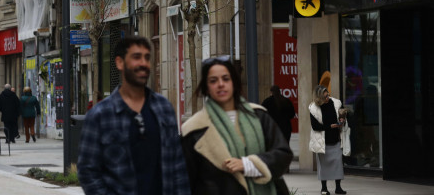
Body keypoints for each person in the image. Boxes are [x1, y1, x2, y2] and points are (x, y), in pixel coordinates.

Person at [78, 36, 190, 195]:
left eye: (147, 58)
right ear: (120, 63)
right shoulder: (100, 115)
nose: (143, 63)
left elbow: (178, 166)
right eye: (136, 57)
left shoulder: (163, 108)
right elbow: (87, 171)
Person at [182, 56, 293, 195]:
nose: (220, 84)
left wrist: (249, 164)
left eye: (226, 78)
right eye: (213, 81)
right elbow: (185, 182)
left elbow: (283, 154)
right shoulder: (194, 129)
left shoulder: (259, 116)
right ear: (206, 87)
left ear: (234, 82)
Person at [309, 85, 347, 195]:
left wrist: (342, 119)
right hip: (322, 140)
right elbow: (315, 126)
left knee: (337, 164)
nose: (328, 98)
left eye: (328, 95)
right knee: (323, 166)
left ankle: (338, 187)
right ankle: (324, 188)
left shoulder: (336, 103)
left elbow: (342, 113)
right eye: (325, 97)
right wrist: (330, 126)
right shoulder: (313, 108)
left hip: (335, 138)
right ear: (319, 98)